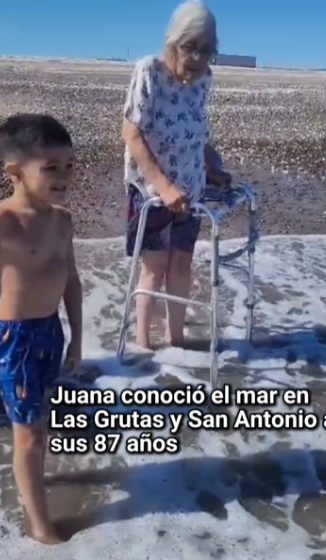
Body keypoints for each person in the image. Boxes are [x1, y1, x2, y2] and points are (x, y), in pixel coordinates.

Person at [122, 0, 231, 350]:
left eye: (207, 51)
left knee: (182, 264)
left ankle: (177, 343)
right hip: (151, 191)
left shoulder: (203, 80)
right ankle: (142, 345)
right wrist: (164, 186)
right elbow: (132, 135)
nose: (198, 59)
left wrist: (211, 165)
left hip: (190, 189)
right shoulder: (149, 71)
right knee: (154, 266)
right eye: (191, 48)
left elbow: (197, 134)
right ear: (173, 41)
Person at [0, 114, 83, 544]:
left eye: (70, 164)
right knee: (29, 434)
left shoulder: (63, 220)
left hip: (50, 332)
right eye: (51, 167)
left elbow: (71, 281)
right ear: (15, 173)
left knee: (38, 421)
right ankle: (38, 524)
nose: (65, 175)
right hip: (11, 340)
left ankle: (32, 481)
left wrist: (77, 340)